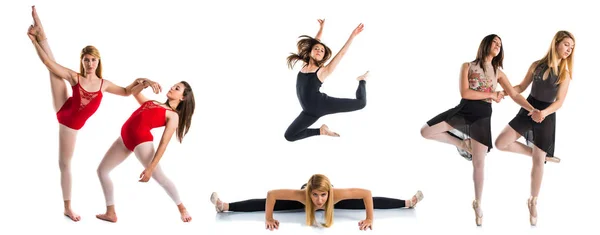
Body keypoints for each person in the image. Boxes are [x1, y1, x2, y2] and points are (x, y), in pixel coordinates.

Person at [27, 5, 159, 221]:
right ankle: (68, 207)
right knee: (65, 164)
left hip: (69, 112)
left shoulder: (104, 84)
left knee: (53, 68)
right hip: (66, 119)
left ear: (98, 62)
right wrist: (33, 43)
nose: (89, 63)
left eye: (93, 60)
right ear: (82, 61)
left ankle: (39, 31)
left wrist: (143, 81)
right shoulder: (75, 77)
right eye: (86, 59)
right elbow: (47, 62)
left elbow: (127, 91)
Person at [420, 34, 537, 226]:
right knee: (425, 131)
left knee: (479, 163)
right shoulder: (467, 66)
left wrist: (531, 109)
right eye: (495, 42)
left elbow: (515, 93)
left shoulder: (498, 72)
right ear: (486, 43)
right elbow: (465, 92)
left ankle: (478, 203)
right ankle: (462, 144)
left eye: (500, 44)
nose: (498, 45)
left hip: (483, 116)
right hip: (463, 109)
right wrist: (492, 93)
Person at [494, 31, 575, 225]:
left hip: (546, 116)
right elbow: (521, 87)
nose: (568, 50)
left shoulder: (565, 74)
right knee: (500, 142)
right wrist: (504, 93)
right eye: (566, 45)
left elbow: (559, 102)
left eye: (571, 48)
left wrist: (543, 113)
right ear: (556, 43)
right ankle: (540, 154)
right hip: (527, 109)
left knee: (538, 163)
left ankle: (533, 201)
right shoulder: (537, 65)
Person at [95, 81, 196, 223]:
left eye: (177, 88)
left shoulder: (173, 116)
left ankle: (182, 208)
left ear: (183, 98)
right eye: (173, 85)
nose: (172, 87)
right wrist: (146, 83)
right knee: (102, 171)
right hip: (124, 139)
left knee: (159, 176)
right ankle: (110, 213)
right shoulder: (153, 102)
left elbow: (163, 143)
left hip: (141, 141)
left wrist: (150, 168)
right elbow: (134, 92)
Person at [210, 174, 424, 230]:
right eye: (316, 195)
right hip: (303, 199)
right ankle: (225, 206)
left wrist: (369, 217)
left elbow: (367, 194)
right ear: (310, 193)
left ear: (328, 192)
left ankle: (408, 202)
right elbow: (271, 195)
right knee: (268, 203)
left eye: (323, 195)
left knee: (364, 202)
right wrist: (269, 217)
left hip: (336, 199)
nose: (319, 200)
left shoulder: (335, 194)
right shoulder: (303, 196)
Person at [284, 19, 369, 141]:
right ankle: (321, 131)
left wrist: (353, 35)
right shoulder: (305, 65)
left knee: (361, 103)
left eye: (322, 50)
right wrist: (321, 29)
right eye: (316, 49)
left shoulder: (322, 71)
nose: (319, 51)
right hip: (308, 112)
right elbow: (315, 42)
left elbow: (341, 54)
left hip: (322, 105)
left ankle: (362, 80)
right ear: (310, 51)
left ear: (324, 56)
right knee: (289, 136)